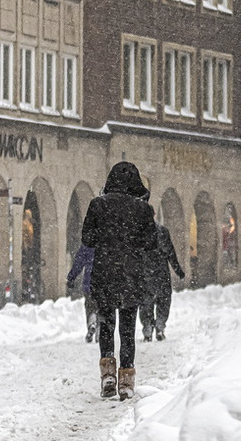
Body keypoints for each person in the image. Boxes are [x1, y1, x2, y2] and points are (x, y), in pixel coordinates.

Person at [80, 162, 159, 399]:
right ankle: (126, 379)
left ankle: (108, 375)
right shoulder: (143, 209)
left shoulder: (98, 205)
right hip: (131, 275)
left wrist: (107, 238)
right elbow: (151, 244)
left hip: (105, 274)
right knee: (127, 328)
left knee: (106, 324)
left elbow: (87, 239)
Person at [140, 222, 185, 341]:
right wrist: (178, 270)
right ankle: (159, 326)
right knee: (163, 301)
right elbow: (170, 252)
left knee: (146, 302)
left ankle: (148, 328)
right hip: (161, 272)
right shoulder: (162, 231)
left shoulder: (138, 232)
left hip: (145, 273)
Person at [65, 244, 96, 342]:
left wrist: (71, 277)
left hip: (90, 281)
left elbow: (78, 262)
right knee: (103, 307)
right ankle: (100, 330)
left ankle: (92, 322)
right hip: (105, 282)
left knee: (90, 306)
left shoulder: (88, 243)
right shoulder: (108, 239)